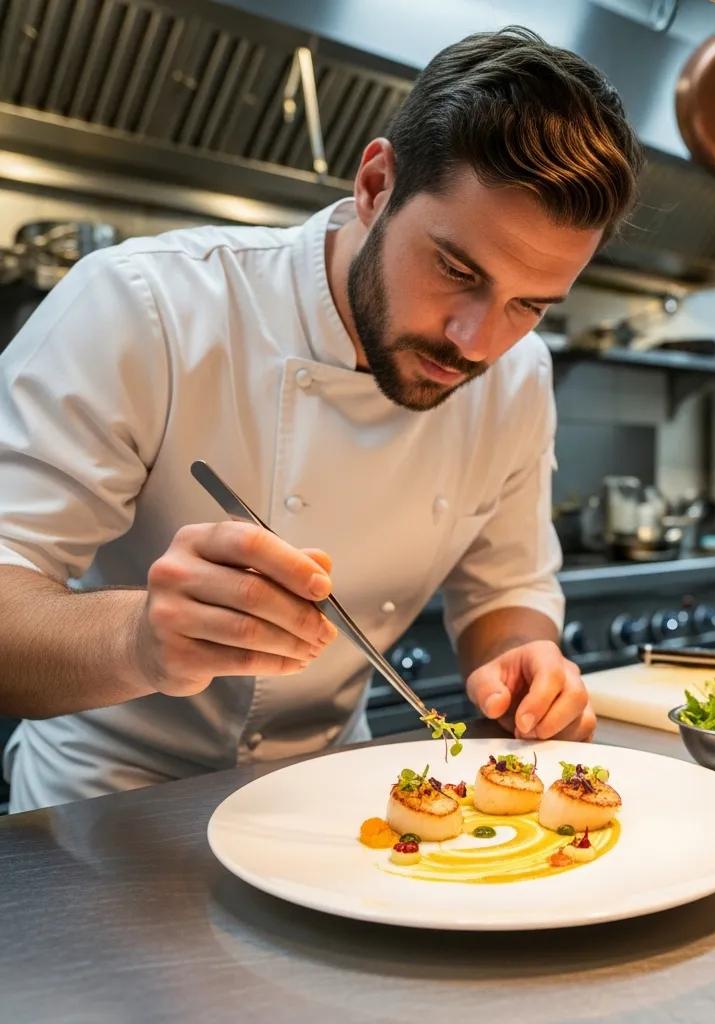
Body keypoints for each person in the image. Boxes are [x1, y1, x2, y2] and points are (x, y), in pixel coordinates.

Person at [0, 26, 644, 812]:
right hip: (101, 813)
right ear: (376, 185)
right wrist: (139, 638)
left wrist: (524, 657)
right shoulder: (146, 307)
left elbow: (505, 588)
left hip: (331, 801)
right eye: (455, 269)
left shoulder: (518, 375)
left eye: (530, 304)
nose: (478, 342)